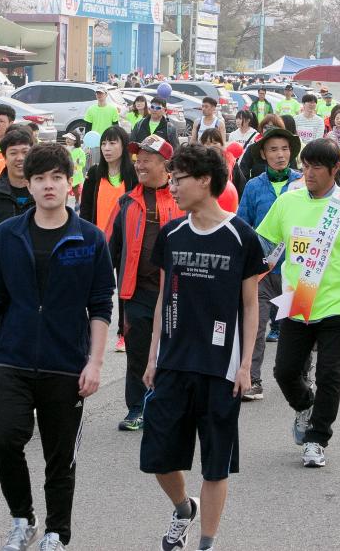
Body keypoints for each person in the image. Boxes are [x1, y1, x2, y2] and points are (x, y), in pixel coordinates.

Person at [0, 143, 113, 551]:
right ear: (28, 185)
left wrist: (95, 363)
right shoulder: (8, 235)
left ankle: (56, 532)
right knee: (3, 439)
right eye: (39, 179)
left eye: (56, 177)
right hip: (13, 356)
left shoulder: (89, 239)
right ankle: (23, 518)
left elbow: (101, 305)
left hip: (66, 363)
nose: (48, 185)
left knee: (59, 457)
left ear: (70, 184)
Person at [141, 145, 265, 551]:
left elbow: (250, 305)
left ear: (205, 181)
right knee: (158, 457)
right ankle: (182, 508)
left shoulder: (240, 236)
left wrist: (245, 365)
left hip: (220, 367)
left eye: (179, 179)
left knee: (215, 464)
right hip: (174, 362)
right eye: (171, 179)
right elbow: (164, 297)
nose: (172, 186)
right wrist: (153, 354)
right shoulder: (173, 234)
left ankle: (207, 544)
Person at [257, 137, 340, 465]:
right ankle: (305, 407)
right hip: (298, 301)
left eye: (316, 167)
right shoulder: (288, 202)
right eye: (306, 166)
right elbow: (263, 244)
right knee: (285, 372)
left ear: (334, 170)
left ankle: (317, 438)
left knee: (330, 373)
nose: (308, 172)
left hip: (336, 303)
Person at [109, 134, 184, 431]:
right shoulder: (126, 202)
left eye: (148, 159)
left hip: (176, 293)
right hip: (136, 291)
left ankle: (169, 405)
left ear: (165, 165)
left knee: (173, 351)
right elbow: (109, 246)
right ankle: (137, 407)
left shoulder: (181, 200)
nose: (140, 164)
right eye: (138, 159)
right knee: (137, 351)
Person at [235, 126, 301, 399]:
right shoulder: (253, 186)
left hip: (297, 270)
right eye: (273, 149)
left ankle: (299, 375)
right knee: (256, 324)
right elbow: (243, 225)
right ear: (263, 154)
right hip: (261, 271)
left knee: (296, 326)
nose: (280, 155)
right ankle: (252, 378)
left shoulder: (302, 182)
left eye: (285, 149)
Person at [80, 125, 137, 353]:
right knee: (93, 288)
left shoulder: (132, 174)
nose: (107, 148)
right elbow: (85, 210)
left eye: (113, 143)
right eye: (104, 143)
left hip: (124, 242)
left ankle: (123, 333)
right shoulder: (95, 174)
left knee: (124, 287)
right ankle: (88, 330)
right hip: (98, 241)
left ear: (124, 146)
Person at [0, 126, 36, 242]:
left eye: (25, 152)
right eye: (13, 153)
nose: (20, 158)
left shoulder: (44, 191)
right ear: (4, 157)